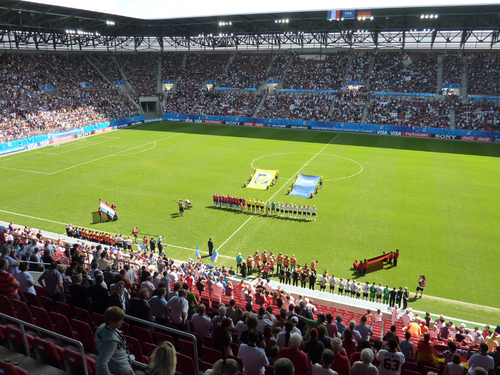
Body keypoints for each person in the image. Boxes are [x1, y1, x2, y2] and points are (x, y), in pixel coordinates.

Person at [95, 306, 134, 375]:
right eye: (120, 320)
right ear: (111, 322)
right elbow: (102, 364)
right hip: (122, 371)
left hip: (118, 366)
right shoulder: (111, 342)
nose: (123, 322)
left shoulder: (102, 327)